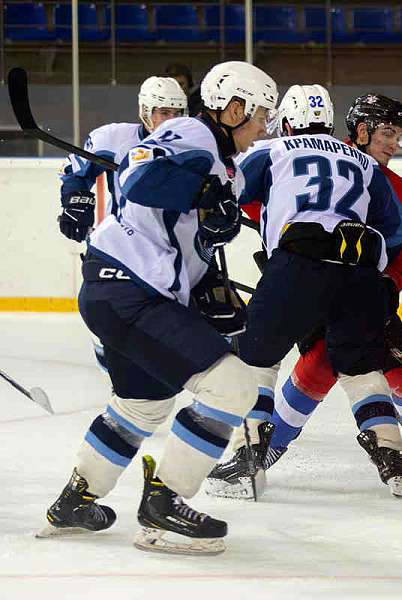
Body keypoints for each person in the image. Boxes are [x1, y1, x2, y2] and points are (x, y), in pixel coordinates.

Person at [38, 61, 278, 556]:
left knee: (142, 404)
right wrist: (204, 194)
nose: (262, 130)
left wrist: (212, 286)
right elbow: (141, 176)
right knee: (232, 386)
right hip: (130, 291)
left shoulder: (221, 162)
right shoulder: (193, 131)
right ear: (232, 109)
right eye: (258, 117)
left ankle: (76, 501)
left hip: (117, 290)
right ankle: (163, 507)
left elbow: (185, 235)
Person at [207, 93, 402, 499]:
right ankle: (394, 460)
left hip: (299, 266)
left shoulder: (273, 149)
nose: (393, 143)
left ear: (287, 124)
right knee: (361, 366)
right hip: (362, 275)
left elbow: (228, 189)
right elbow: (396, 233)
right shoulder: (367, 168)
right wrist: (378, 280)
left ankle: (250, 458)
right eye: (388, 133)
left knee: (256, 355)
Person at [58, 75, 187, 243]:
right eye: (164, 113)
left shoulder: (193, 146)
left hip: (174, 245)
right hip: (122, 244)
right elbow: (75, 171)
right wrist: (76, 202)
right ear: (146, 111)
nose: (172, 121)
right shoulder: (116, 139)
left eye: (177, 114)